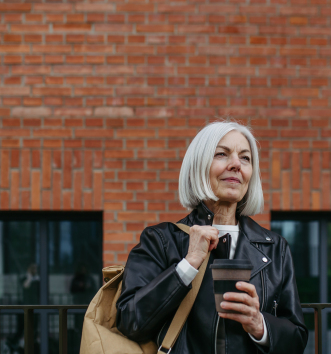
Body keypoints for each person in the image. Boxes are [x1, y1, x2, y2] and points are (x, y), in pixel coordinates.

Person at [116, 121, 308, 353]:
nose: (236, 164)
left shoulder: (275, 248)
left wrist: (260, 325)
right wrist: (188, 265)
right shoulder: (160, 240)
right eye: (222, 154)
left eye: (245, 158)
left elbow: (297, 338)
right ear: (199, 166)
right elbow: (130, 322)